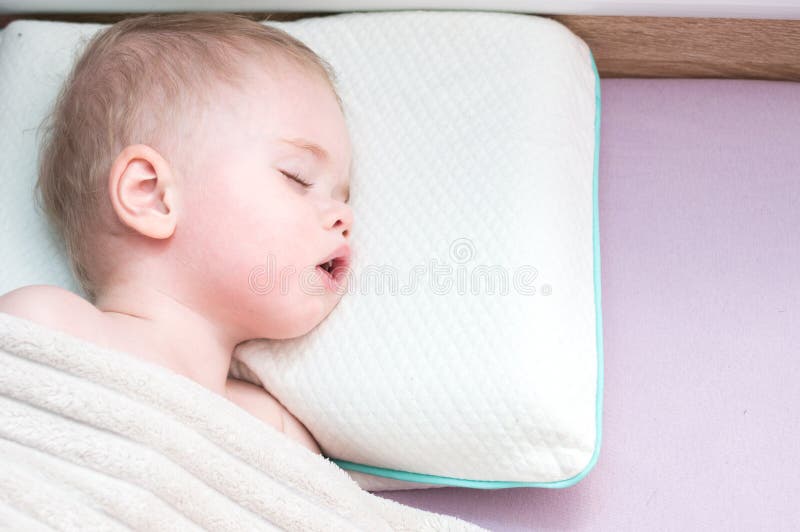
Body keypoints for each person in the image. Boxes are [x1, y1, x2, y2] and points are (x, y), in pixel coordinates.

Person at [0, 12, 356, 456]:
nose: (344, 215)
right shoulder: (41, 326)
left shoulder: (274, 430)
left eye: (345, 196)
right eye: (297, 176)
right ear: (150, 194)